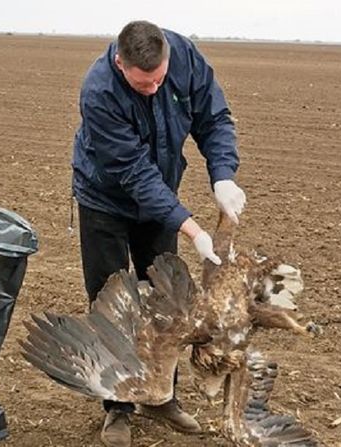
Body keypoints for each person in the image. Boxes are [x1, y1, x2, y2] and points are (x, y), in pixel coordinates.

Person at [72, 20, 246, 447]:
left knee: (165, 300)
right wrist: (191, 228)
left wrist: (223, 176)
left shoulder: (185, 57)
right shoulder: (99, 92)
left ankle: (161, 397)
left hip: (160, 197)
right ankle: (117, 406)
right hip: (105, 201)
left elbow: (215, 118)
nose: (151, 89)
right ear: (120, 62)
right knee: (114, 302)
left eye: (158, 81)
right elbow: (133, 173)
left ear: (168, 59)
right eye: (141, 84)